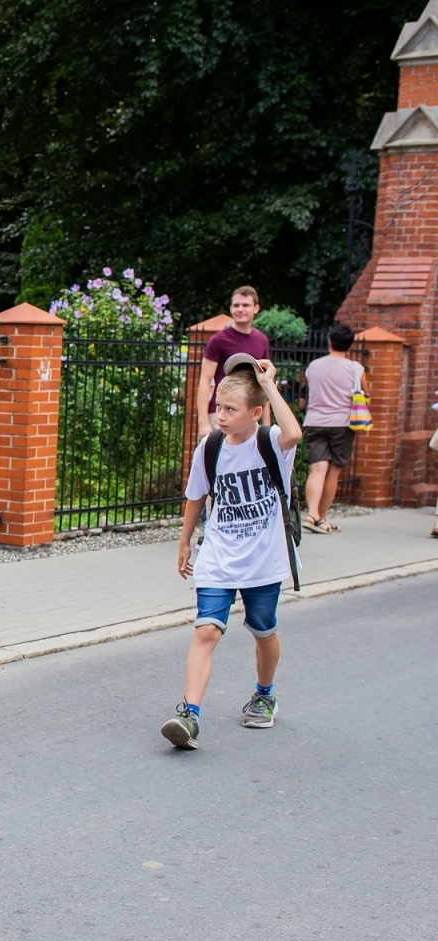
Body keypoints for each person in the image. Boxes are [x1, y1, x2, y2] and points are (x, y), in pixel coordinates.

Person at [162, 355, 303, 750]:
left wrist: (270, 383)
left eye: (230, 409)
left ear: (256, 412)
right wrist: (185, 540)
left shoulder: (271, 443)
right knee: (206, 630)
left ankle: (264, 693)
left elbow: (294, 433)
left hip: (263, 559)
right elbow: (196, 495)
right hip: (219, 555)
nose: (220, 416)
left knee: (264, 631)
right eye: (218, 407)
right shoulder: (211, 447)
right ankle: (189, 716)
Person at [300, 324, 364, 533]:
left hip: (314, 421)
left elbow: (308, 388)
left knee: (317, 469)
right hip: (342, 424)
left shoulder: (314, 366)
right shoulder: (355, 368)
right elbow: (365, 393)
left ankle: (311, 514)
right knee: (333, 472)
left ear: (329, 342)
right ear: (350, 345)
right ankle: (322, 517)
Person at [197, 286, 269, 435]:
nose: (240, 309)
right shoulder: (218, 340)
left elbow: (264, 382)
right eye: (236, 305)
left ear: (256, 308)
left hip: (249, 415)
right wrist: (203, 422)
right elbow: (205, 380)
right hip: (221, 413)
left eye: (246, 305)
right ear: (230, 308)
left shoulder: (262, 340)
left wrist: (267, 423)